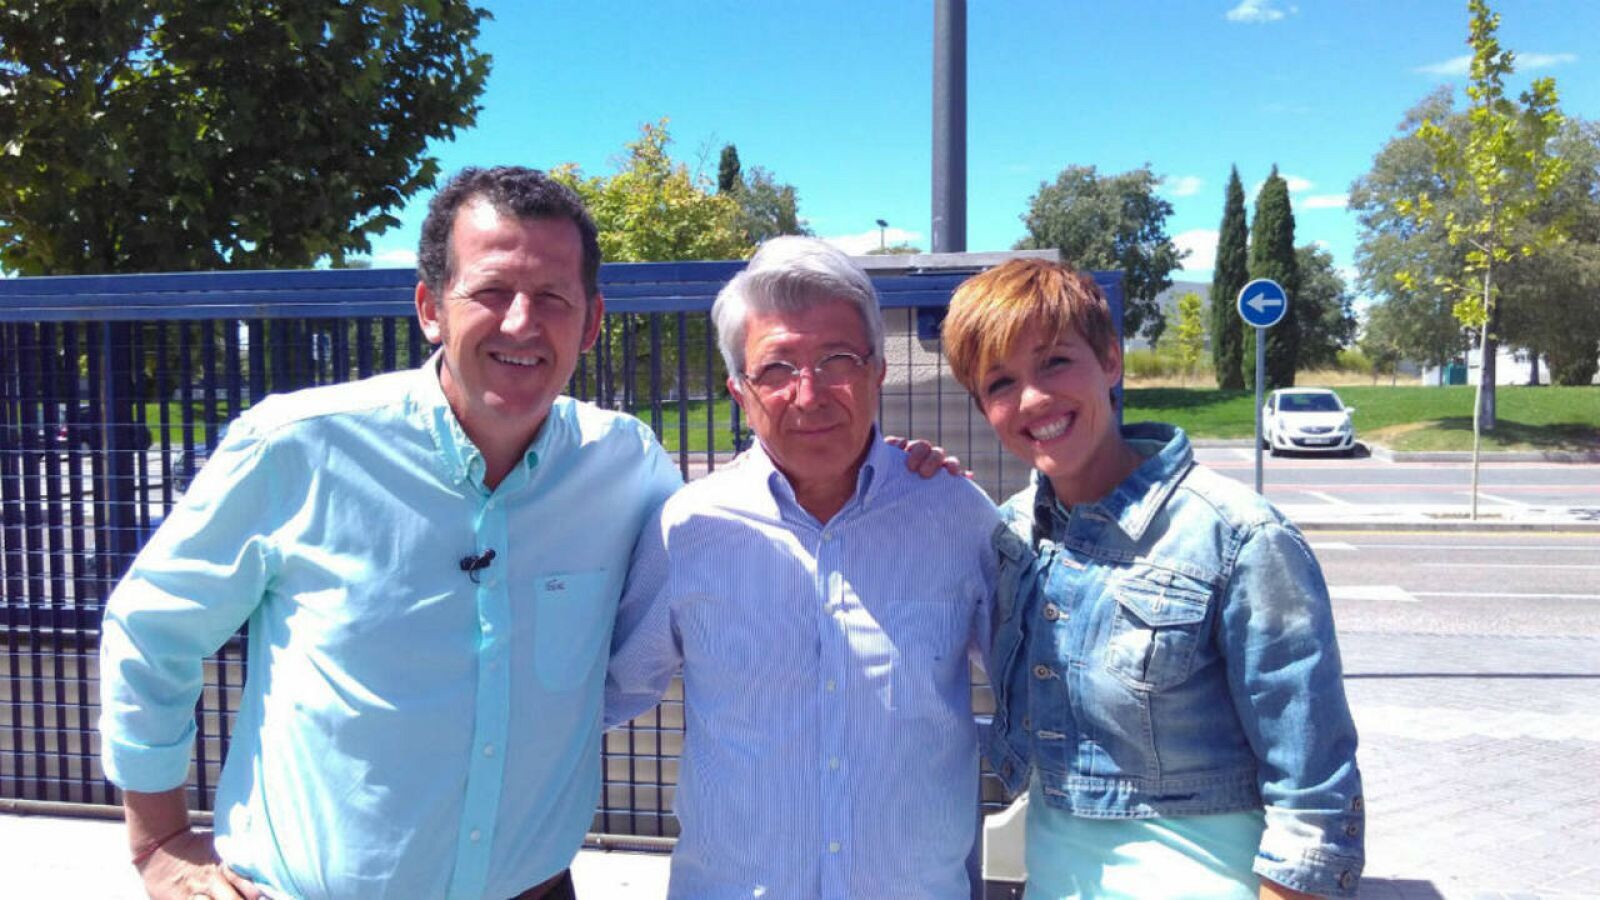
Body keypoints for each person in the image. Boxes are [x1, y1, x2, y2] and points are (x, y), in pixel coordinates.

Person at [97, 167, 684, 900]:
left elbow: (717, 575)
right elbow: (152, 626)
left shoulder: (626, 467)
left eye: (552, 298)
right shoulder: (297, 446)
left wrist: (867, 481)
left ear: (591, 323)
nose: (521, 323)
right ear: (430, 309)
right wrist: (157, 841)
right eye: (491, 292)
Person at [940, 258, 1364, 899]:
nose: (1033, 399)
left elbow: (1314, 790)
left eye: (1055, 362)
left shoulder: (1237, 536)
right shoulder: (1011, 538)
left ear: (1111, 360)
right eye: (1001, 382)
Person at [605, 236, 1000, 898]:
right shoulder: (689, 529)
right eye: (777, 368)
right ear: (738, 390)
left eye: (837, 359)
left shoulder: (956, 516)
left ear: (877, 371)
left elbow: (1040, 690)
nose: (809, 393)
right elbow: (603, 695)